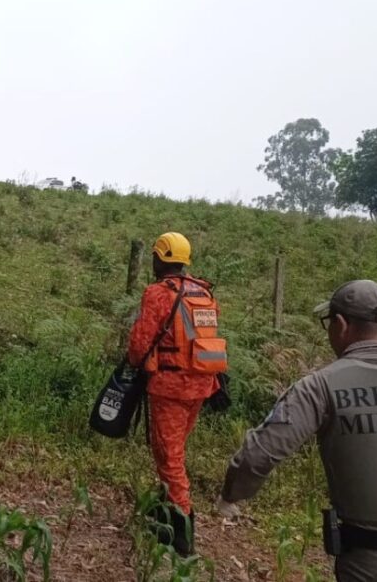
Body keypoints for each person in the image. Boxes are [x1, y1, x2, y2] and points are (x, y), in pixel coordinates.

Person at [217, 280, 377, 581]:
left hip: (373, 562)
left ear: (340, 324)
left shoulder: (320, 386)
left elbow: (259, 454)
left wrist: (231, 496)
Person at [126, 232, 226, 555]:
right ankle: (166, 513)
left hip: (170, 388)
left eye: (155, 256)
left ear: (160, 258)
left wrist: (139, 366)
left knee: (170, 459)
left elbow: (141, 343)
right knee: (173, 453)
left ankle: (182, 536)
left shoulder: (158, 294)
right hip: (202, 385)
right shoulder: (204, 293)